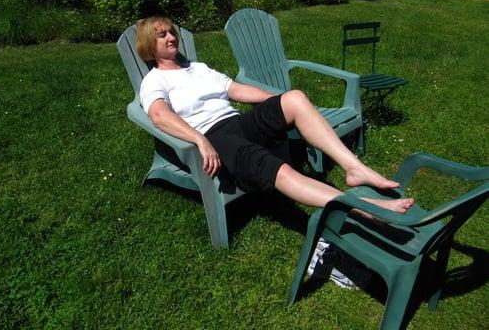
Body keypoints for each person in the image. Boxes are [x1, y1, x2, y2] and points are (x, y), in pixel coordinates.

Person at [137, 15, 414, 215]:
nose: (171, 37)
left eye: (171, 32)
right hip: (217, 138)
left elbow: (236, 90)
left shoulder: (198, 68)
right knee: (278, 169)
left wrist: (283, 104)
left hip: (238, 122)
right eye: (162, 35)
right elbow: (160, 116)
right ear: (150, 45)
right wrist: (199, 139)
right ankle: (362, 208)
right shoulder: (155, 80)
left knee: (295, 97)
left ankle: (355, 169)